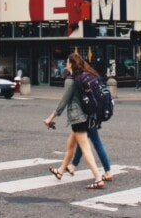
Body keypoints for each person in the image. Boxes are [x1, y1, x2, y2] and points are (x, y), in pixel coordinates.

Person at [43, 52, 105, 189]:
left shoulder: (71, 80)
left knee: (85, 148)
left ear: (71, 64)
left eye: (67, 62)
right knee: (70, 145)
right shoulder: (81, 77)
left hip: (78, 118)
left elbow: (63, 102)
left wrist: (50, 118)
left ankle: (98, 178)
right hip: (85, 116)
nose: (66, 64)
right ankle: (60, 171)